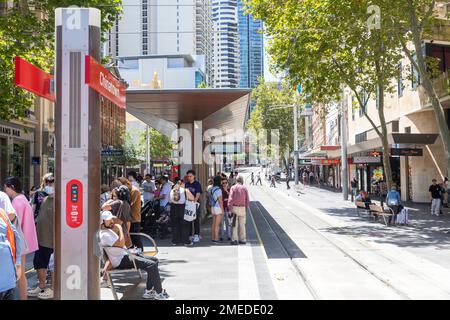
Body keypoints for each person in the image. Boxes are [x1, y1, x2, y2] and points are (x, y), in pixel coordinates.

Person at [99, 211, 170, 300]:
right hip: (121, 260)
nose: (112, 221)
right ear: (102, 222)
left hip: (125, 256)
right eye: (108, 220)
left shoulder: (108, 231)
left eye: (111, 219)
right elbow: (121, 244)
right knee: (151, 264)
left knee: (154, 260)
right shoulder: (104, 234)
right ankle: (159, 292)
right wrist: (120, 228)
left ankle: (149, 291)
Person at [3, 177, 38, 300]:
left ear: (11, 187)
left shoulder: (16, 202)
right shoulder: (23, 198)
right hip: (26, 241)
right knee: (21, 274)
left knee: (19, 274)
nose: (5, 190)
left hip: (20, 242)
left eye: (5, 187)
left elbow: (12, 225)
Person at [27, 185, 55, 300]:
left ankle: (54, 288)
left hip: (53, 240)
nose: (50, 185)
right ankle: (42, 285)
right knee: (39, 262)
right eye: (47, 182)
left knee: (53, 265)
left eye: (52, 182)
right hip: (41, 239)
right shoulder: (44, 199)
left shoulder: (61, 201)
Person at [0, 208, 22, 300]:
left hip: (8, 281)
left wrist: (18, 263)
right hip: (8, 280)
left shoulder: (2, 212)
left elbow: (15, 236)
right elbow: (15, 236)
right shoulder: (1, 212)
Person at [118, 177, 142, 250]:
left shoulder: (134, 191)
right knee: (129, 238)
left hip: (134, 218)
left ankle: (141, 252)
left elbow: (129, 203)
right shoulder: (129, 190)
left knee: (135, 238)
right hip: (128, 218)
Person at [170, 178, 195, 246]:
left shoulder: (173, 190)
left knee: (175, 225)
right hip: (182, 208)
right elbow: (192, 198)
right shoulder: (184, 190)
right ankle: (185, 241)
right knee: (185, 225)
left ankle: (175, 241)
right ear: (182, 184)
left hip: (173, 208)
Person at [228, 176, 249, 245]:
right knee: (242, 225)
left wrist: (229, 209)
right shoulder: (244, 188)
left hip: (235, 208)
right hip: (242, 208)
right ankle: (242, 239)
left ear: (236, 181)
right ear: (242, 181)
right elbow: (247, 199)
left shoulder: (233, 188)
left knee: (234, 225)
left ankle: (235, 239)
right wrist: (246, 207)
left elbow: (230, 199)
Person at [184, 170, 203, 243]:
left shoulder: (197, 184)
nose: (189, 177)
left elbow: (198, 194)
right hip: (188, 204)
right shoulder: (186, 184)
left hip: (195, 204)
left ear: (194, 176)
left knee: (196, 220)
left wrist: (194, 202)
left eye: (190, 176)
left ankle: (196, 235)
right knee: (188, 220)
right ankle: (189, 235)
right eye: (188, 176)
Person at [209, 176, 224, 243]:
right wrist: (222, 210)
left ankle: (213, 238)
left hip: (212, 207)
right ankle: (216, 238)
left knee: (213, 223)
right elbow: (220, 201)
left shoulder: (212, 189)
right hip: (218, 208)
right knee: (217, 225)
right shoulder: (219, 190)